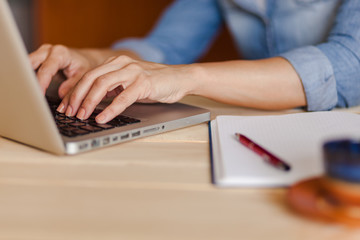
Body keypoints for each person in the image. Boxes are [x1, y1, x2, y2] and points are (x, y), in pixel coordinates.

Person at [29, 0, 360, 124]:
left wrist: (187, 78)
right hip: (265, 129)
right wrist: (93, 60)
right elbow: (163, 48)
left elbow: (348, 63)